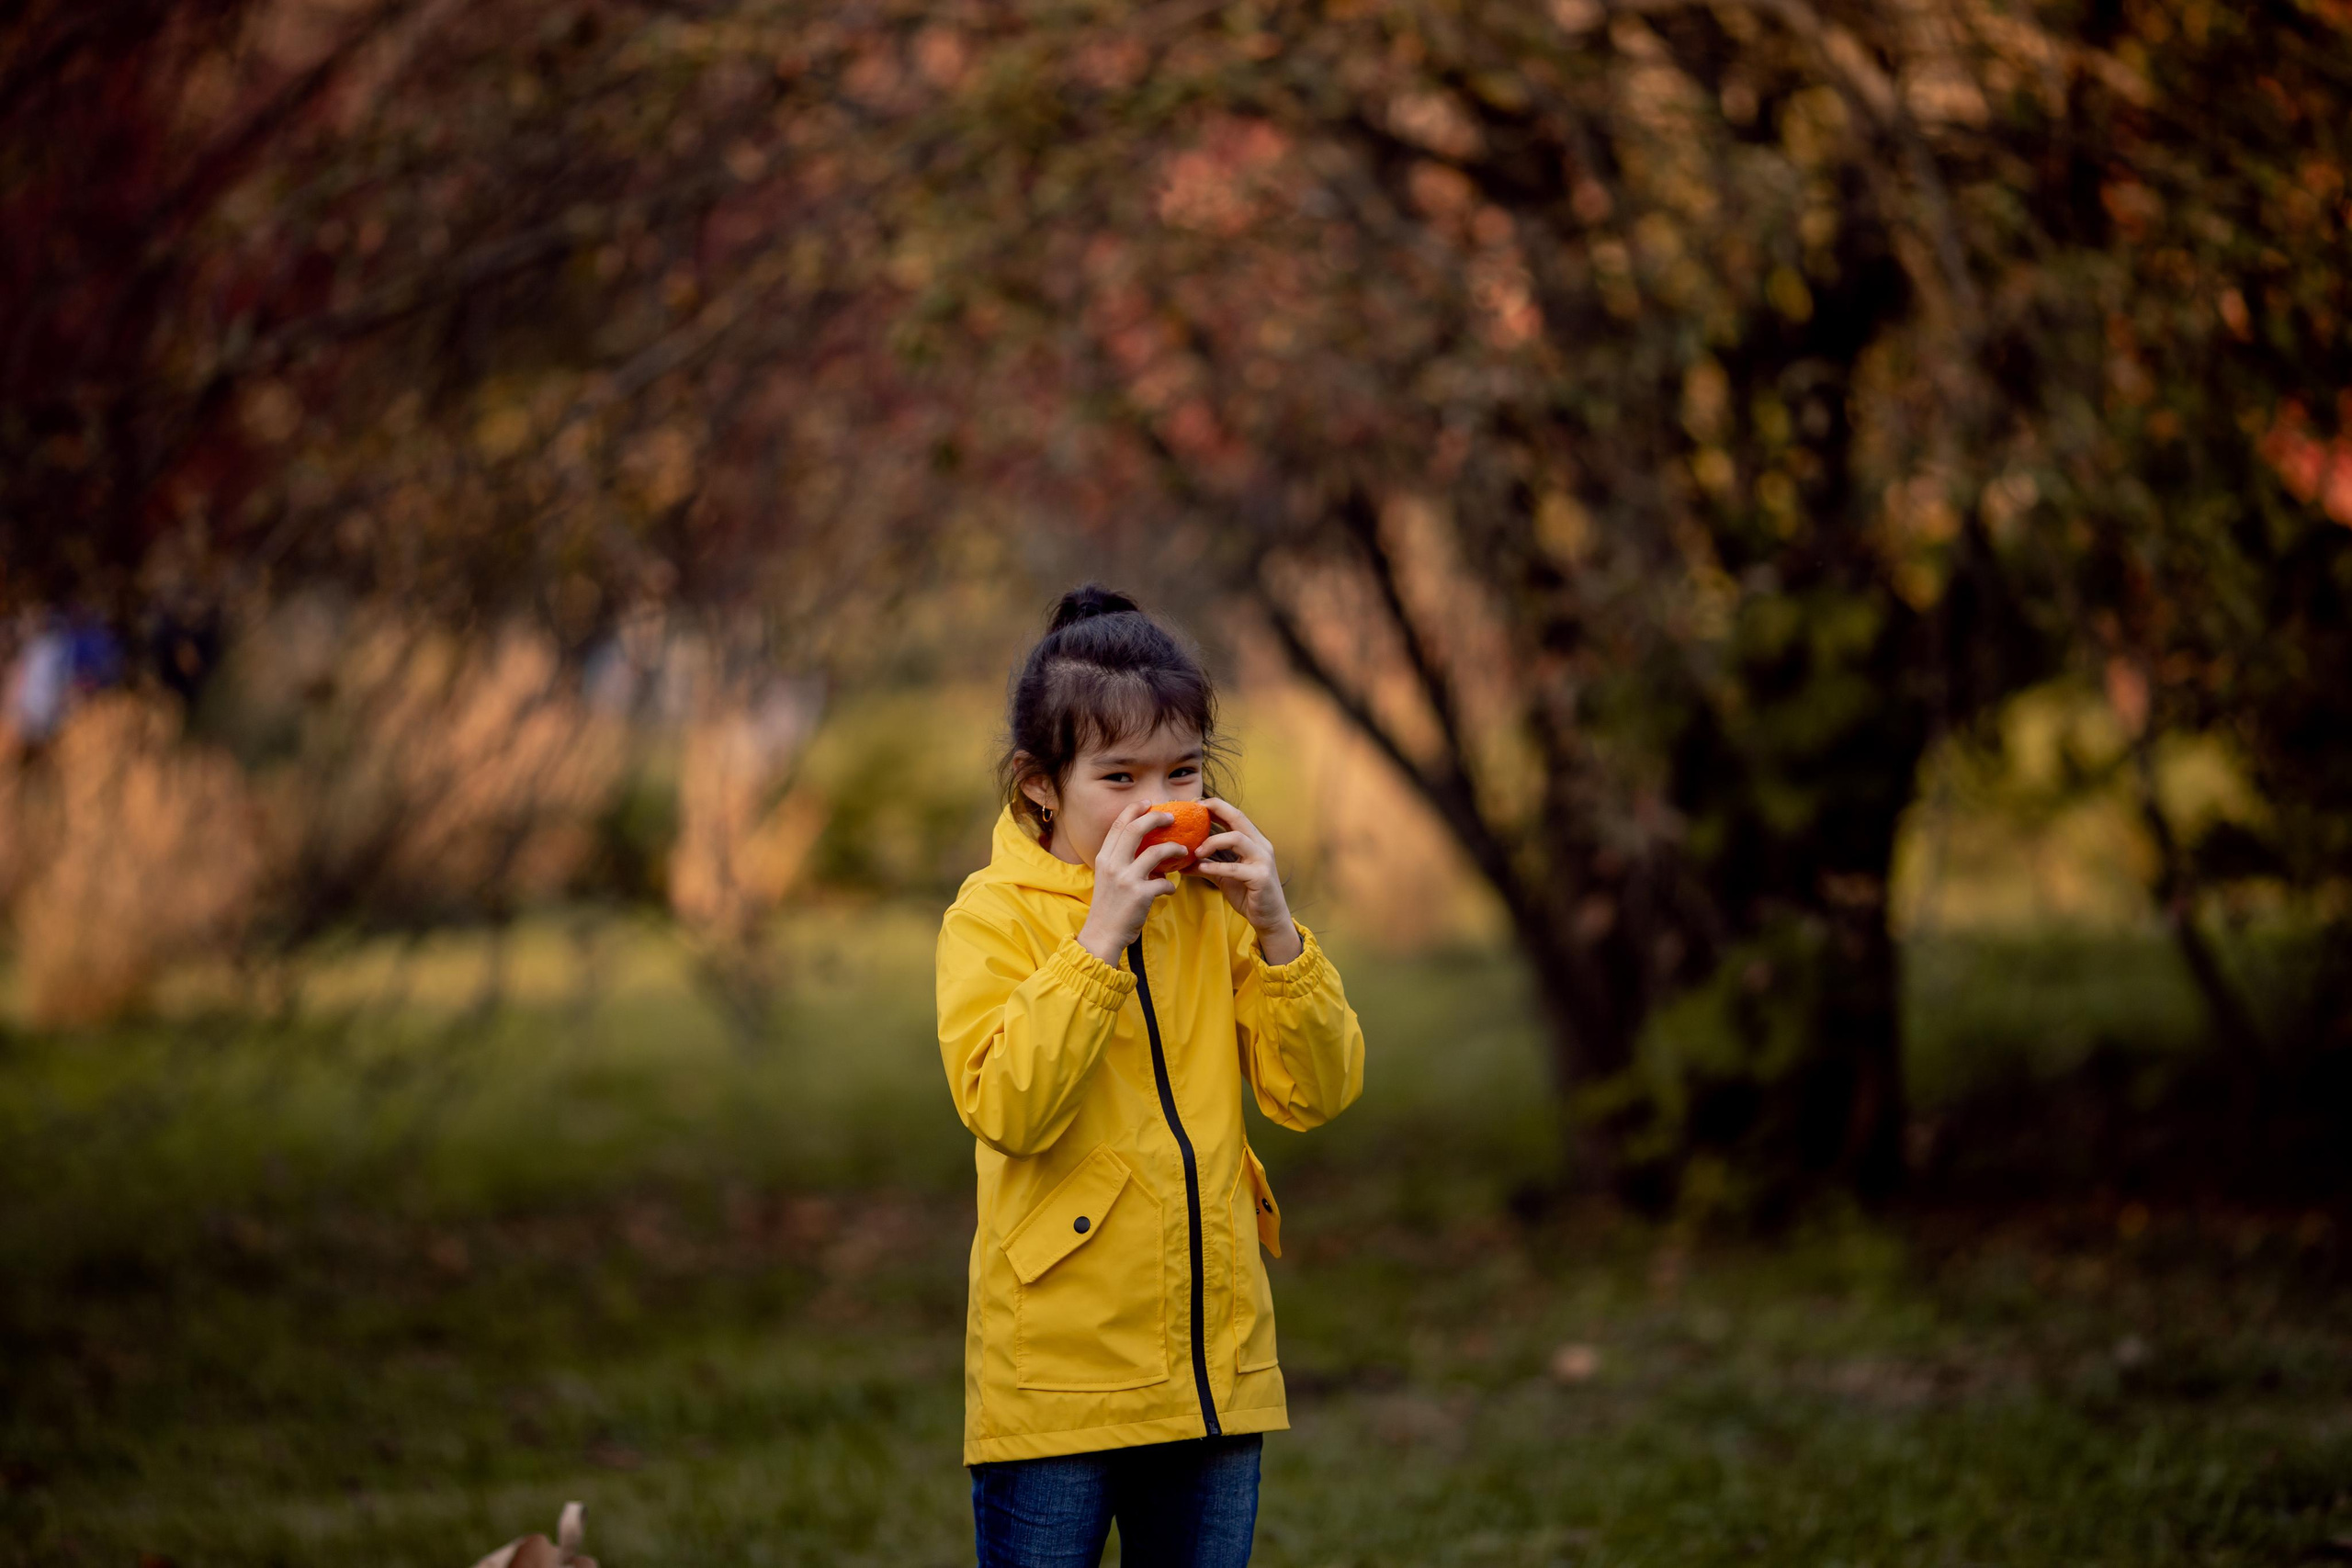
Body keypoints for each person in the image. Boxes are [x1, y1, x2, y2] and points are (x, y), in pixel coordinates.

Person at [937, 585, 1366, 1568]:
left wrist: (1276, 929)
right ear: (1040, 784)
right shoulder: (991, 917)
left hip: (1215, 1371)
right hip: (1056, 1386)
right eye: (1118, 776)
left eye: (1181, 771)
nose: (1157, 804)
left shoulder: (1214, 907)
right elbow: (1006, 1107)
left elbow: (1317, 1091)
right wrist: (1097, 943)